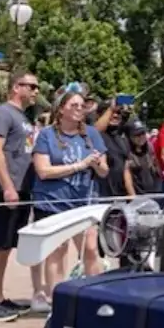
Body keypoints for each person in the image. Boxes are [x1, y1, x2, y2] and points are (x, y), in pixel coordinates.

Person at [32, 90, 109, 303]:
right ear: (61, 109)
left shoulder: (92, 134)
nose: (79, 110)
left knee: (91, 248)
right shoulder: (47, 135)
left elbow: (104, 171)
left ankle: (97, 297)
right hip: (53, 202)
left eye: (82, 106)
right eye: (74, 105)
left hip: (83, 203)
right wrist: (79, 166)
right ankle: (57, 299)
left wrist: (97, 164)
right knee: (57, 250)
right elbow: (43, 171)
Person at [0, 71, 40, 322]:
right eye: (31, 86)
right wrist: (7, 186)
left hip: (20, 190)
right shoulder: (3, 113)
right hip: (2, 190)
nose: (36, 90)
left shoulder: (22, 117)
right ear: (16, 87)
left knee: (5, 246)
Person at [121, 119, 164, 198]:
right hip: (137, 197)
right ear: (129, 136)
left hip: (155, 194)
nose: (141, 137)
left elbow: (157, 169)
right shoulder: (126, 151)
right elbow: (127, 177)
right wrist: (133, 197)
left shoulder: (149, 147)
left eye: (143, 133)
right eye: (137, 135)